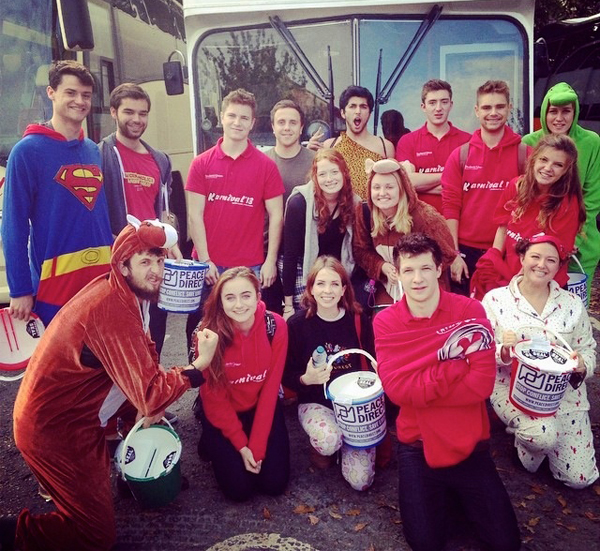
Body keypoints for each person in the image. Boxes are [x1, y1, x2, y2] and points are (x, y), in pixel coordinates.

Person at [3, 219, 217, 551]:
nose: (156, 271)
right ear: (123, 266)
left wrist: (153, 399)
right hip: (55, 429)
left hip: (77, 410)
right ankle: (12, 534)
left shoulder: (128, 292)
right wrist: (197, 367)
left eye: (159, 260)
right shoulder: (111, 307)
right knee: (96, 537)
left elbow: (144, 353)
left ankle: (130, 475)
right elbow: (150, 395)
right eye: (145, 262)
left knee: (147, 406)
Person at [373, 233, 520, 551]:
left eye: (425, 268)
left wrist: (422, 384)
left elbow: (481, 385)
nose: (417, 279)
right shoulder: (386, 322)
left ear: (439, 269)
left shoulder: (470, 311)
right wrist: (453, 369)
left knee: (506, 543)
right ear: (397, 273)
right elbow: (397, 391)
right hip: (418, 446)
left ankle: (457, 499)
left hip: (469, 443)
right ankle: (450, 500)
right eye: (409, 270)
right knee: (424, 542)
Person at [1, 60, 113, 326]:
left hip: (100, 282)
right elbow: (14, 226)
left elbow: (98, 217)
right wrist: (20, 289)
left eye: (86, 95)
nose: (80, 101)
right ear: (51, 93)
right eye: (71, 93)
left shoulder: (92, 150)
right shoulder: (27, 152)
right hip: (54, 289)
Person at [482, 234, 598, 489]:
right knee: (542, 436)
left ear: (559, 266)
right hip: (514, 390)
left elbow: (587, 349)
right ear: (522, 258)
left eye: (551, 260)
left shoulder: (571, 303)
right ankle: (528, 448)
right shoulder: (495, 300)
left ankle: (548, 442)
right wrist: (503, 350)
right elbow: (480, 351)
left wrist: (583, 363)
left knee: (579, 480)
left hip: (564, 395)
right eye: (535, 256)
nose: (542, 265)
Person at [185, 88, 284, 343]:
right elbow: (194, 215)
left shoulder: (266, 166)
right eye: (232, 116)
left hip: (249, 266)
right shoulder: (201, 163)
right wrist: (205, 260)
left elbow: (276, 215)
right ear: (222, 118)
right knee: (202, 332)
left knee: (246, 334)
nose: (237, 122)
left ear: (252, 123)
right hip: (208, 266)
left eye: (244, 118)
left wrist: (270, 260)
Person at [100, 82, 182, 356]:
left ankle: (151, 381)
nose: (137, 119)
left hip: (153, 262)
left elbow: (165, 210)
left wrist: (172, 242)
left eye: (143, 113)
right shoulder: (101, 154)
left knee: (153, 334)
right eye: (129, 112)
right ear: (114, 112)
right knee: (120, 340)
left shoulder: (160, 159)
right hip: (120, 264)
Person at [195, 267, 290, 501]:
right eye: (230, 297)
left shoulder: (275, 326)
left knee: (274, 484)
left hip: (258, 405)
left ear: (258, 297)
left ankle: (228, 445)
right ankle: (210, 439)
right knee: (239, 491)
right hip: (223, 411)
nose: (239, 305)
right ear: (220, 302)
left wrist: (256, 448)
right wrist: (241, 445)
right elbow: (214, 399)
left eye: (246, 296)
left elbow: (270, 391)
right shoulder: (209, 335)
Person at [283, 256, 376, 490]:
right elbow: (285, 373)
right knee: (327, 442)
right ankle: (327, 445)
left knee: (361, 482)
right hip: (317, 402)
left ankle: (348, 445)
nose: (327, 291)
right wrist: (305, 379)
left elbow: (373, 358)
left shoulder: (358, 320)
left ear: (344, 289)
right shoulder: (296, 325)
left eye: (335, 284)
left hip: (355, 407)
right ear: (311, 288)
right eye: (321, 284)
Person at [442, 79, 532, 295]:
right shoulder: (460, 155)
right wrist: (454, 254)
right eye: (486, 107)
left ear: (509, 108)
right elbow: (451, 208)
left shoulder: (525, 154)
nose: (493, 113)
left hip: (509, 251)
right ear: (477, 110)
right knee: (467, 313)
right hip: (467, 253)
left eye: (500, 106)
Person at [478, 134, 584, 296]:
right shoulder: (516, 186)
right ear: (533, 159)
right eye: (543, 160)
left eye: (558, 165)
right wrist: (492, 261)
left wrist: (520, 286)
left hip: (542, 281)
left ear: (566, 171)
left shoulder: (567, 204)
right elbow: (503, 228)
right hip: (509, 276)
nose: (548, 168)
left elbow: (550, 256)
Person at [522, 82, 600, 299]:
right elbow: (526, 194)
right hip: (537, 246)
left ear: (575, 113)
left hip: (579, 246)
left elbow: (593, 197)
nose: (559, 118)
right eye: (553, 111)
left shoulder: (592, 142)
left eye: (566, 111)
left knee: (574, 309)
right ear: (544, 113)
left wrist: (573, 239)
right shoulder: (529, 142)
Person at [353, 158, 458, 307]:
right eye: (376, 187)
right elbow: (360, 250)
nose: (382, 193)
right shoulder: (364, 213)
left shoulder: (426, 217)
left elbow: (447, 254)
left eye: (389, 187)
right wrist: (381, 266)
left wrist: (412, 270)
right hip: (387, 287)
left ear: (402, 188)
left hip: (423, 289)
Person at [282, 149, 360, 316]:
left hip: (336, 269)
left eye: (334, 172)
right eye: (323, 174)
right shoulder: (299, 203)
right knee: (306, 315)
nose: (329, 179)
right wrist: (288, 306)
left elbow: (356, 251)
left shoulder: (355, 204)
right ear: (315, 177)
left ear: (344, 173)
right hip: (302, 266)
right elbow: (290, 255)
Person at [262, 99, 315, 313]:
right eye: (281, 122)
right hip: (267, 253)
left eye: (293, 122)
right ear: (272, 127)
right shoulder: (262, 162)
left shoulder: (316, 162)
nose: (287, 127)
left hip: (305, 254)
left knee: (303, 316)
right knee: (270, 315)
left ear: (301, 127)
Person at [396, 79, 470, 213]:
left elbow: (468, 185)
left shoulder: (467, 141)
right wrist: (452, 176)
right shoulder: (407, 141)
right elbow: (406, 182)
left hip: (458, 219)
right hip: (419, 220)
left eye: (444, 102)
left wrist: (422, 183)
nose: (438, 108)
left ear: (451, 105)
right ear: (423, 106)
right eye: (432, 103)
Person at [321, 86, 395, 200]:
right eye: (352, 106)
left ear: (369, 113)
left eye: (363, 107)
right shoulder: (329, 146)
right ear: (343, 113)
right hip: (340, 210)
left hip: (375, 210)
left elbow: (393, 187)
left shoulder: (385, 147)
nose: (358, 111)